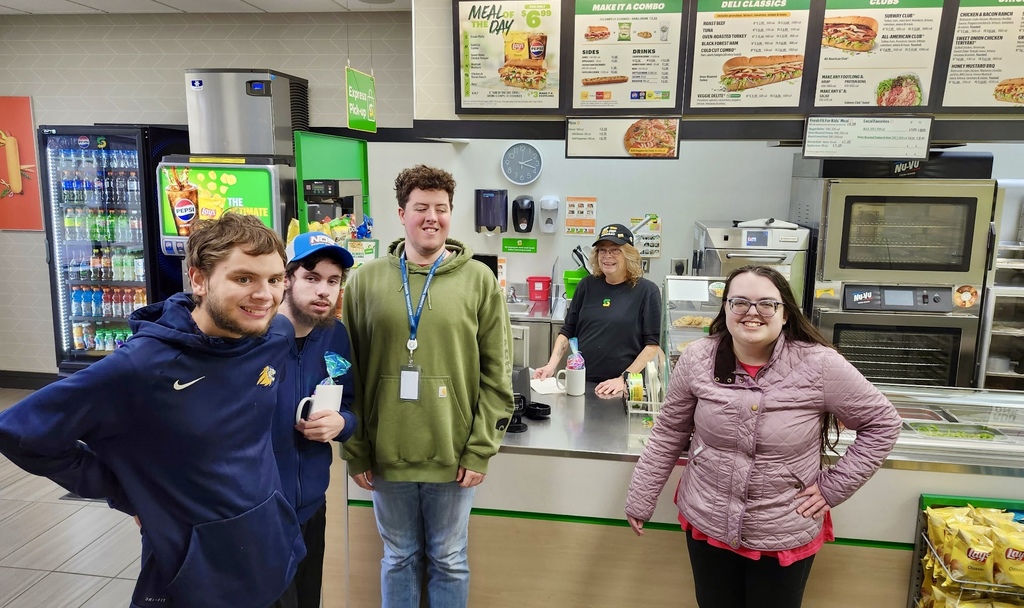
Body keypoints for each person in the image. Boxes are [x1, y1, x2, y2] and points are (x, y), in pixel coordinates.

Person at [0, 213, 305, 608]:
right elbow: (21, 432)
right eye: (244, 278)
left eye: (275, 279)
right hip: (195, 572)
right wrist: (127, 494)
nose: (265, 295)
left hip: (271, 551)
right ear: (198, 279)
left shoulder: (272, 337)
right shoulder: (142, 367)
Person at [624, 265, 902, 608]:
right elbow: (669, 432)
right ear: (725, 308)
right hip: (708, 519)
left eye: (766, 304)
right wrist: (641, 497)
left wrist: (833, 487)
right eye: (739, 302)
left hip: (783, 528)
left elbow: (883, 423)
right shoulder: (698, 358)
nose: (752, 313)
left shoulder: (819, 365)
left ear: (784, 314)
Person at [341, 164, 515, 608]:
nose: (431, 217)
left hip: (454, 454)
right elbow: (348, 373)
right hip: (385, 453)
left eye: (441, 208)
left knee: (450, 559)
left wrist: (481, 449)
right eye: (421, 208)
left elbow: (497, 374)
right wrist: (355, 447)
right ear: (402, 213)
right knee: (398, 557)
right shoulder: (364, 281)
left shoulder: (479, 280)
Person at [271, 231, 358, 608]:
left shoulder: (334, 336)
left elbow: (351, 401)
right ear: (287, 278)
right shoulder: (254, 336)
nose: (324, 291)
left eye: (333, 281)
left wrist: (342, 424)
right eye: (311, 278)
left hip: (311, 504)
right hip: (261, 511)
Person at [534, 223, 662, 396]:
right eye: (602, 250)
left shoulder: (647, 291)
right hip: (581, 383)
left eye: (615, 250)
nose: (607, 256)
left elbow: (652, 346)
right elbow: (567, 330)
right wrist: (551, 366)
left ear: (629, 254)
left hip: (621, 389)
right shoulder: (586, 286)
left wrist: (624, 379)